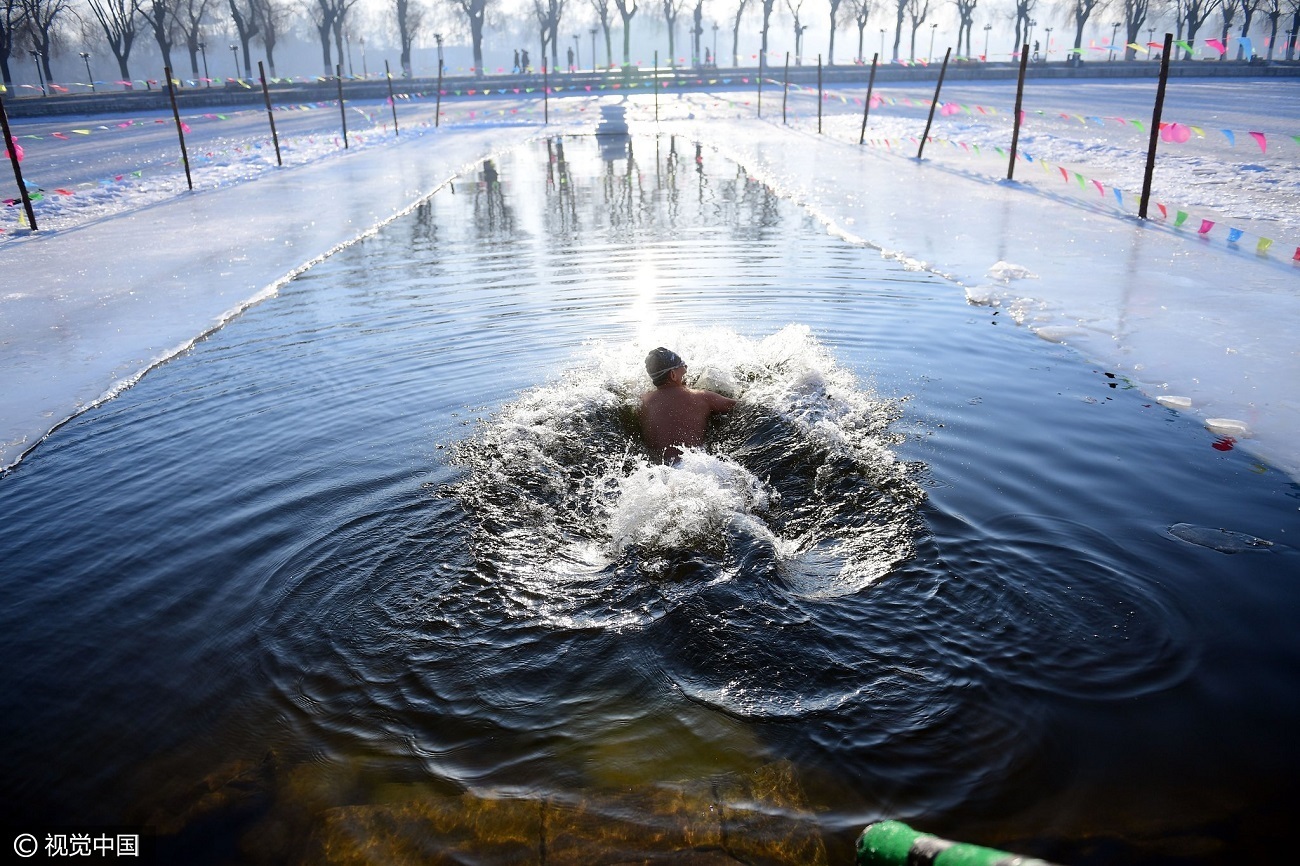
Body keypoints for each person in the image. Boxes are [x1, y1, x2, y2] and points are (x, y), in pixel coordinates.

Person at [639, 347, 736, 464]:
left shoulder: (643, 402)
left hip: (660, 471)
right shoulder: (701, 397)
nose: (686, 369)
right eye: (682, 366)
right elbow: (740, 407)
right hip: (695, 465)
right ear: (673, 375)